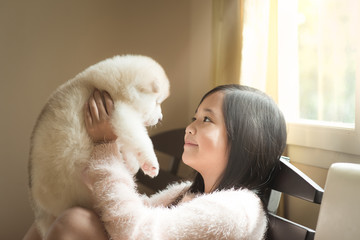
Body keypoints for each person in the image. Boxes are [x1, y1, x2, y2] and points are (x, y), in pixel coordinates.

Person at [24, 84, 287, 240]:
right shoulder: (187, 192)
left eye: (206, 120)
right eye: (194, 117)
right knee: (56, 219)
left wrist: (105, 149)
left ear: (245, 139)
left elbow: (136, 232)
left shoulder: (238, 208)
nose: (190, 128)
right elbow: (128, 215)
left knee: (74, 223)